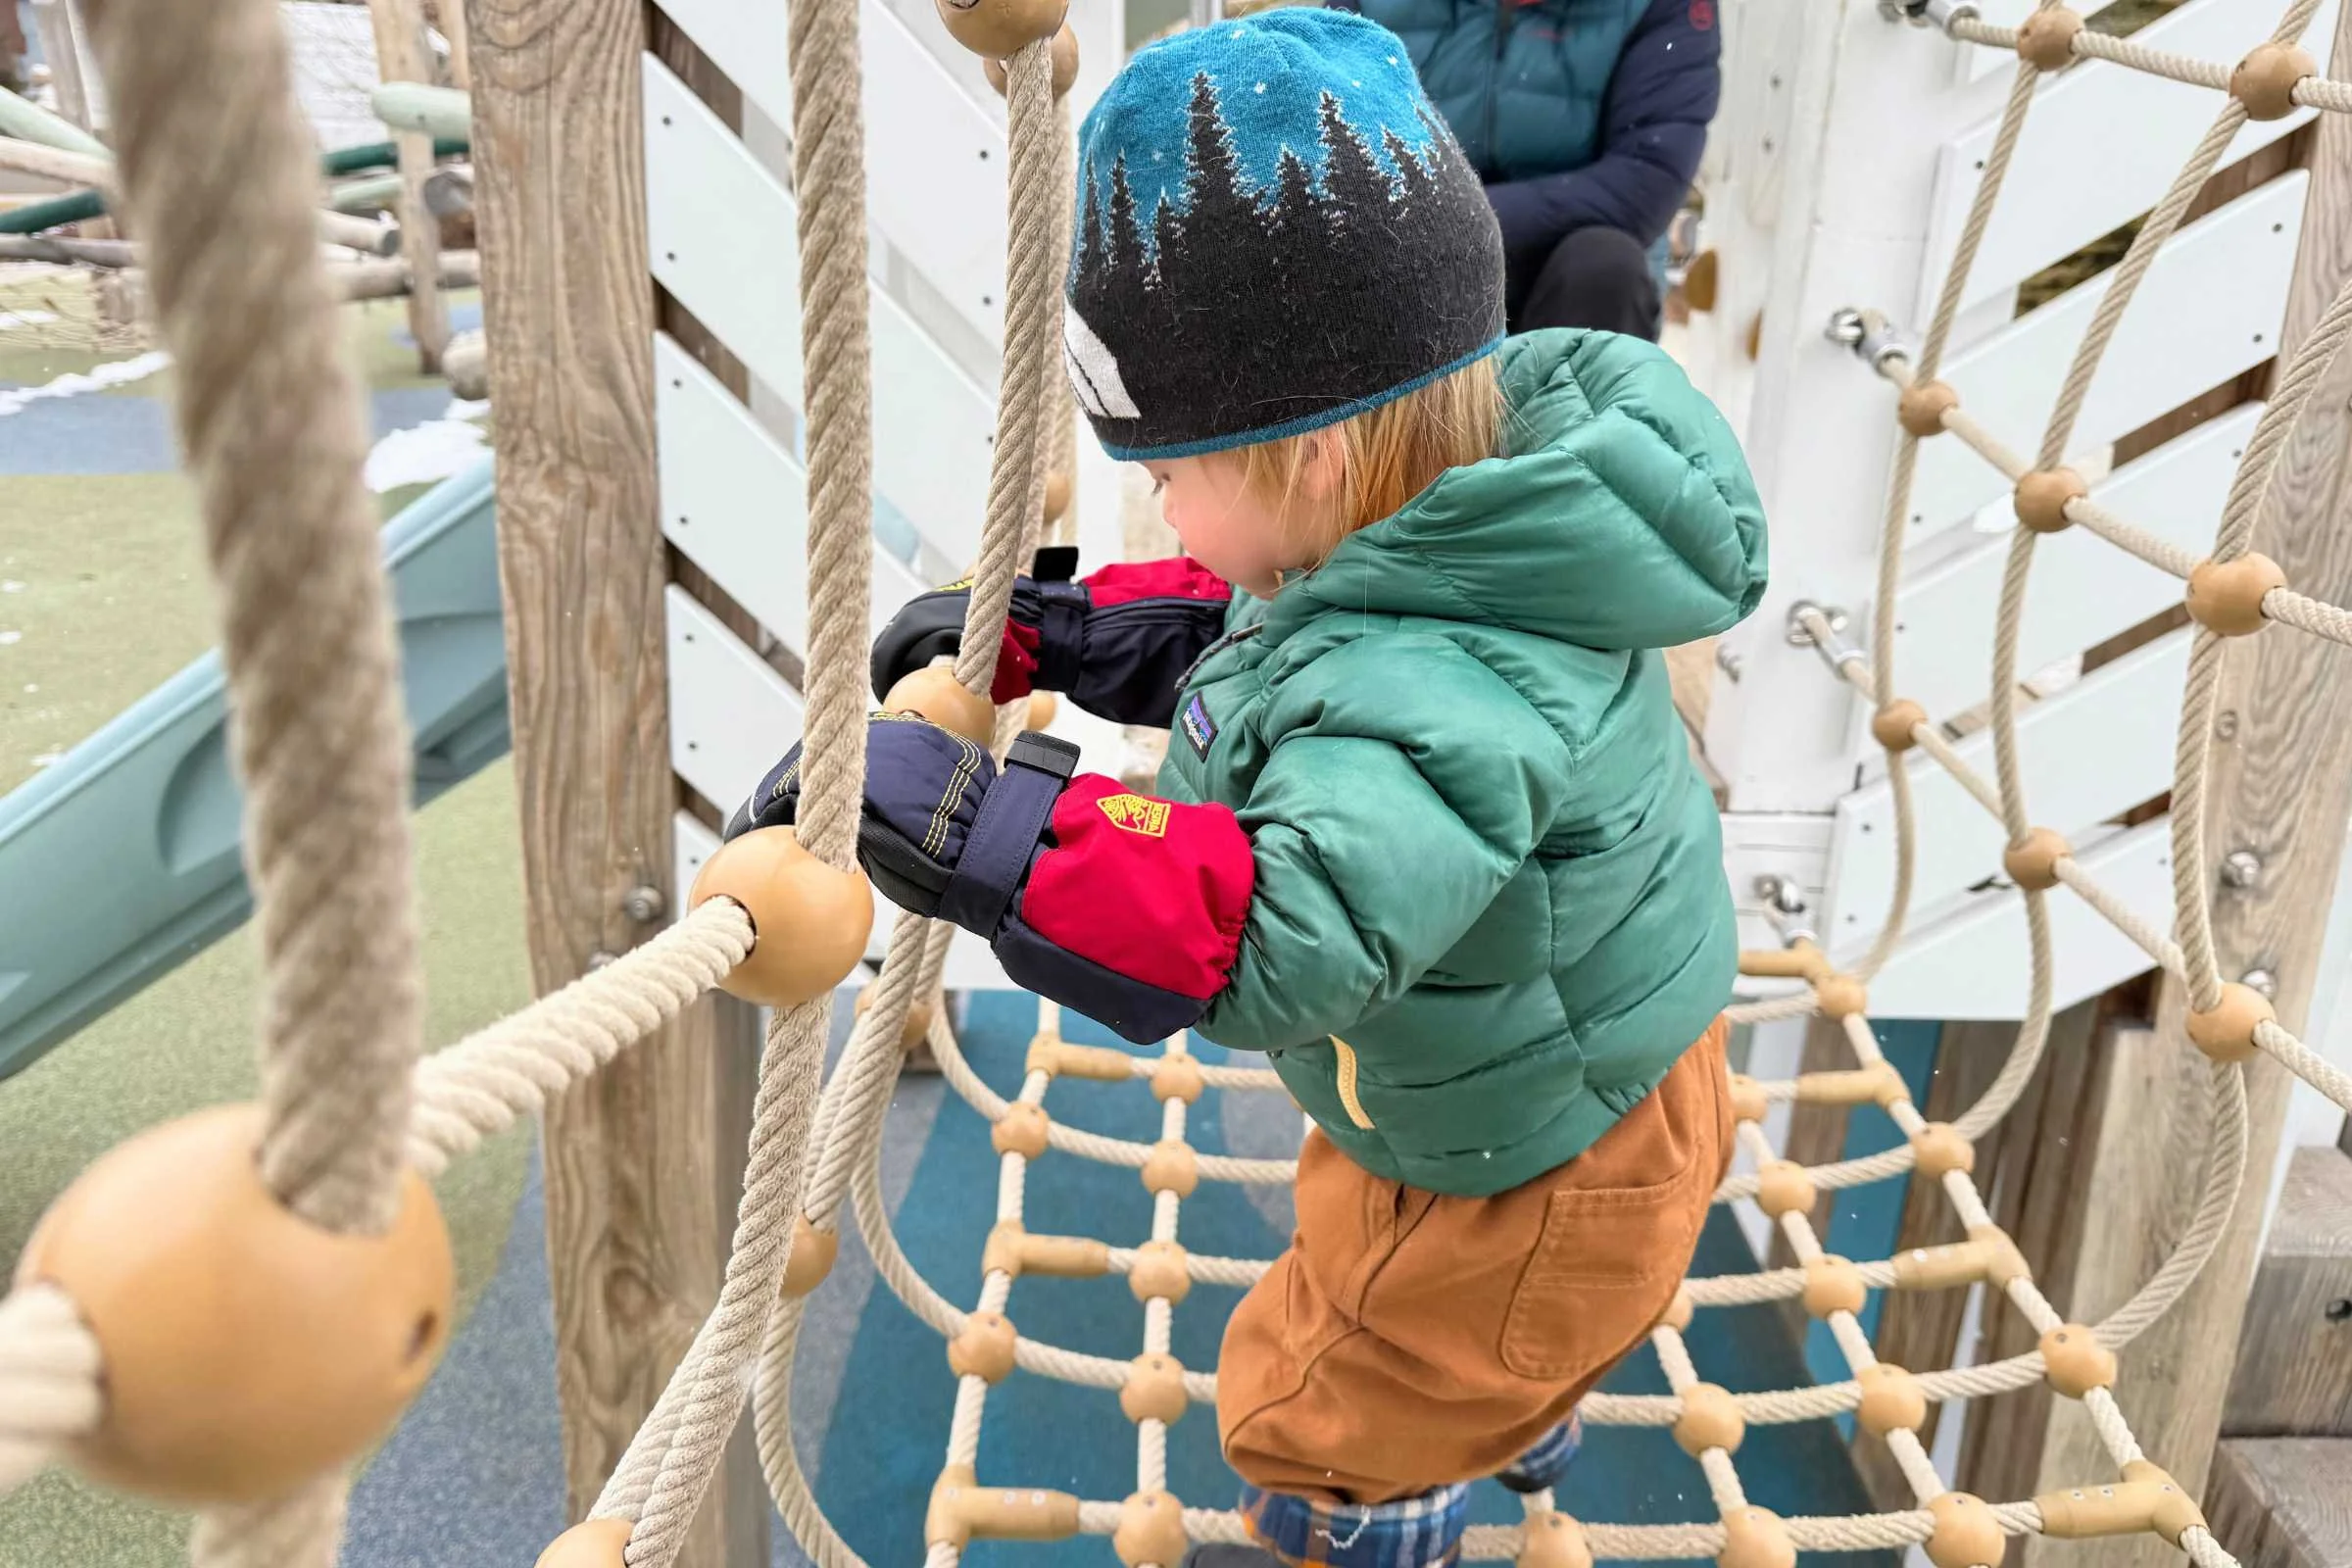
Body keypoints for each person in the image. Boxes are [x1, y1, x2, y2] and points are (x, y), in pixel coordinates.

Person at [728, 11, 1766, 1565]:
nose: (1157, 502)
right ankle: (1517, 1395)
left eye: (1169, 474)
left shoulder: (1447, 677)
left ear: (1312, 460)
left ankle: (1388, 1497)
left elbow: (1270, 931)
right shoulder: (1462, 523)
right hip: (1538, 1080)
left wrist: (978, 827)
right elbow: (1281, 643)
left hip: (1532, 1165)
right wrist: (1074, 634)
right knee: (1462, 1332)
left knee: (1313, 1412)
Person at [1328, 0, 1719, 340]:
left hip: (1563, 270)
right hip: (1407, 259)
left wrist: (1455, 220)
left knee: (1605, 268)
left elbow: (1644, 182)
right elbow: (1324, 138)